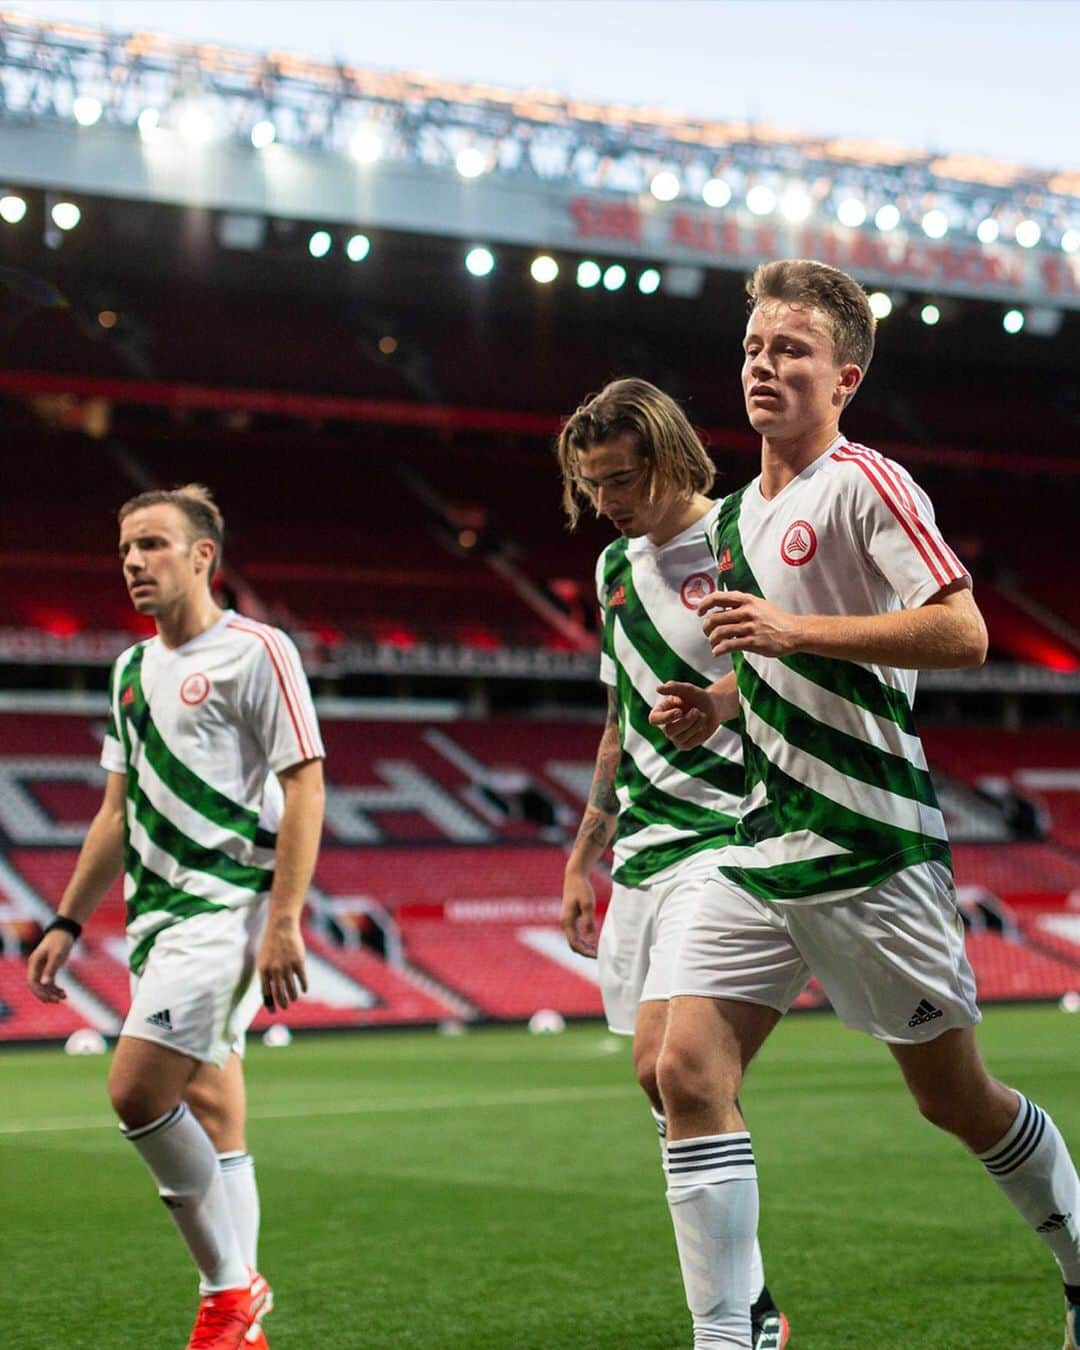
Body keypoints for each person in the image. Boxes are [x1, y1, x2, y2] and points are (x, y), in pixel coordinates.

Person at [649, 259, 1080, 1349]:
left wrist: (795, 634)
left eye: (790, 350)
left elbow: (965, 633)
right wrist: (717, 702)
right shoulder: (737, 516)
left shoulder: (869, 481)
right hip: (763, 841)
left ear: (844, 378)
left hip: (870, 845)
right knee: (680, 1069)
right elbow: (776, 673)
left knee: (957, 1102)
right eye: (752, 348)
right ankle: (732, 1332)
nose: (762, 366)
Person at [27, 484, 325, 1350]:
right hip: (155, 919)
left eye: (153, 545)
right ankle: (244, 1324)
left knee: (134, 1090)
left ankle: (228, 1292)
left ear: (203, 557)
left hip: (226, 910)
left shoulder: (256, 652)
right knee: (217, 1111)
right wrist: (66, 922)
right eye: (125, 548)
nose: (133, 562)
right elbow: (114, 815)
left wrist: (284, 920)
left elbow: (305, 783)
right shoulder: (129, 671)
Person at [556, 378, 789, 1350]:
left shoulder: (745, 535)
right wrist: (583, 853)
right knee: (661, 1078)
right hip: (649, 848)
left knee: (685, 1068)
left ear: (667, 456)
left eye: (620, 479)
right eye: (594, 484)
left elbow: (802, 663)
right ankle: (758, 1305)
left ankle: (727, 1332)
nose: (608, 502)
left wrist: (724, 699)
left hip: (739, 832)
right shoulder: (614, 569)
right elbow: (618, 720)